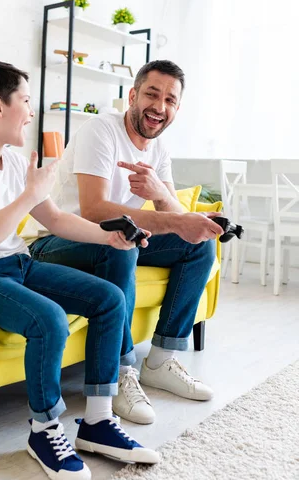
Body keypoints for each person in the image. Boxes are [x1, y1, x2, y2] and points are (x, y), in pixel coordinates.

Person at [0, 60, 159, 480]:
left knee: (111, 299)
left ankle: (97, 422)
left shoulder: (14, 161)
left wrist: (110, 238)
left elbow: (54, 219)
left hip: (21, 263)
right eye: (26, 100)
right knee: (50, 321)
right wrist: (29, 194)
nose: (31, 111)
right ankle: (44, 430)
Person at [30, 59, 224, 426]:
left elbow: (176, 215)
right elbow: (93, 209)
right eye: (152, 94)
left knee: (198, 244)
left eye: (170, 100)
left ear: (176, 109)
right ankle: (120, 372)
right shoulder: (100, 130)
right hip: (58, 241)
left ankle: (161, 359)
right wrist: (173, 218)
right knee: (120, 241)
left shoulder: (159, 148)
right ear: (133, 96)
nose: (159, 107)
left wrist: (160, 194)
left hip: (111, 240)